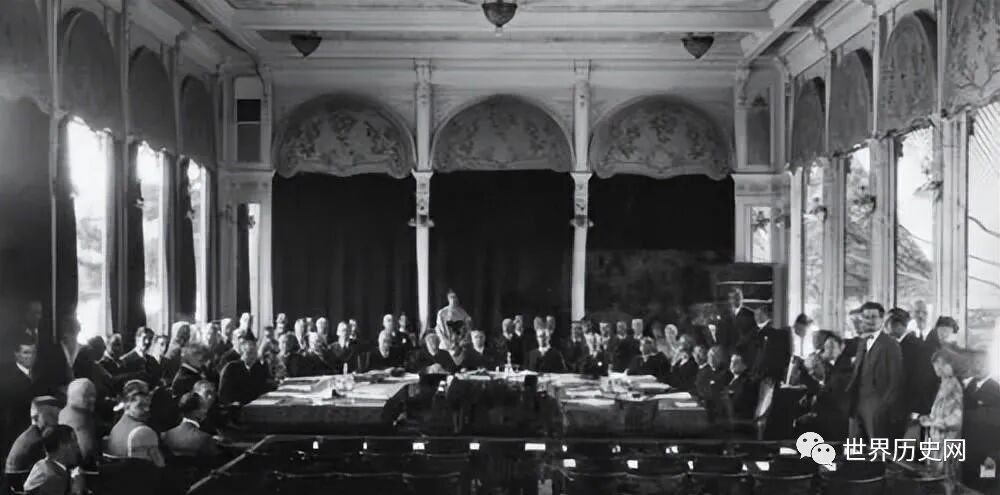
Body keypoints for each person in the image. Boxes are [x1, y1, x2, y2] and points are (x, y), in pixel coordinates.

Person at [847, 302, 905, 440]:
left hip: (877, 407)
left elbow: (896, 380)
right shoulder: (862, 342)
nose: (870, 321)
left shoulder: (891, 344)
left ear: (882, 319)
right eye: (866, 317)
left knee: (877, 448)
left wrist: (883, 407)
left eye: (874, 317)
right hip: (858, 404)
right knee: (856, 448)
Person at [886, 308, 938, 429]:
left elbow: (922, 380)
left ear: (897, 325)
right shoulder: (890, 345)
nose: (884, 327)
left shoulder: (919, 347)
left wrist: (916, 411)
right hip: (893, 408)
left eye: (886, 323)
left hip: (909, 410)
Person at [918, 349, 964, 483]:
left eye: (942, 364)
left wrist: (935, 423)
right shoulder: (943, 384)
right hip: (936, 437)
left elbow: (957, 418)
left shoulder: (954, 386)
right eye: (936, 364)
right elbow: (940, 410)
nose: (938, 368)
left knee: (946, 477)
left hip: (948, 438)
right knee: (935, 475)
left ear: (950, 365)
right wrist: (929, 418)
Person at [106, 380, 164, 467]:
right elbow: (160, 466)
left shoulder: (115, 429)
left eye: (148, 405)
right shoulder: (144, 432)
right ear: (127, 404)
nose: (147, 410)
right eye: (140, 406)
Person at [2, 339, 40, 453]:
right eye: (26, 352)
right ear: (16, 354)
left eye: (33, 352)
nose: (31, 356)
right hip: (14, 435)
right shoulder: (8, 379)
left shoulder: (38, 374)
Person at [23, 425, 84, 495]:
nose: (77, 446)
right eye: (73, 440)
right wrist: (77, 491)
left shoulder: (41, 465)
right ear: (62, 445)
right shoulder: (54, 479)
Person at [5, 397, 61, 474]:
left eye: (58, 416)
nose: (57, 421)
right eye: (52, 415)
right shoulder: (38, 442)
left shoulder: (29, 436)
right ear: (36, 417)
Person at [161, 393, 221, 460]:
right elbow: (217, 463)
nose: (206, 410)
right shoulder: (206, 439)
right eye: (203, 407)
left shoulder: (166, 435)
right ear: (196, 413)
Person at [218, 333, 271, 406]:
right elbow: (223, 395)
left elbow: (263, 387)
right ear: (242, 354)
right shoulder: (231, 368)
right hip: (236, 407)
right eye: (249, 353)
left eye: (254, 353)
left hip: (255, 405)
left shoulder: (258, 368)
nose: (252, 357)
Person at [57, 379, 98, 467]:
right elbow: (86, 451)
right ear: (73, 397)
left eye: (93, 395)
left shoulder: (67, 411)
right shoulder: (77, 421)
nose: (92, 399)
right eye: (86, 396)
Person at [747, 307, 790, 383]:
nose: (756, 317)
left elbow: (766, 355)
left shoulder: (773, 332)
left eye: (759, 314)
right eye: (755, 315)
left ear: (766, 315)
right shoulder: (754, 331)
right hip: (755, 371)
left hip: (766, 374)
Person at [695, 346, 732, 422]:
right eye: (710, 356)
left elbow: (715, 392)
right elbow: (698, 386)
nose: (711, 359)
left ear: (721, 358)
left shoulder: (725, 374)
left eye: (715, 356)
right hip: (701, 404)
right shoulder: (705, 371)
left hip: (716, 411)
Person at [724, 353, 757, 422]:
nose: (732, 365)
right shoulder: (729, 377)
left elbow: (739, 401)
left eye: (736, 362)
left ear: (744, 365)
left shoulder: (747, 381)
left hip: (740, 419)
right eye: (731, 361)